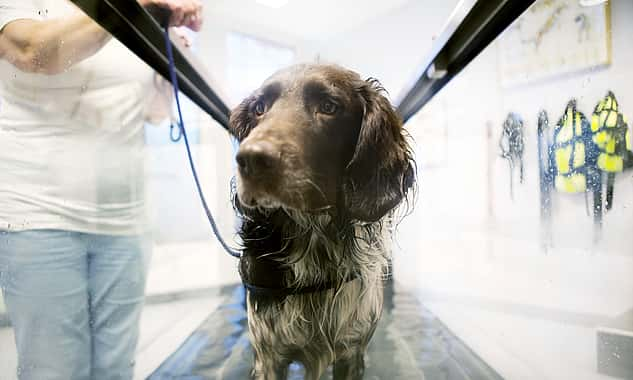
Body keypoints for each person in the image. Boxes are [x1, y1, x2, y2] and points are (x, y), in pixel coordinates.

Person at [0, 0, 202, 378]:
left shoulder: (128, 13)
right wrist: (136, 7)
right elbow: (34, 53)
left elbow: (153, 112)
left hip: (126, 221)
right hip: (39, 216)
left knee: (115, 370)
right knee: (54, 371)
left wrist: (167, 52)